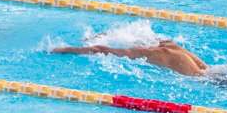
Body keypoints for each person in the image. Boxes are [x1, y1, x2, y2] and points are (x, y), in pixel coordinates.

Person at [52, 38, 208, 76]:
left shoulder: (145, 53)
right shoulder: (168, 44)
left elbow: (101, 50)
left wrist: (66, 49)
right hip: (216, 72)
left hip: (207, 81)